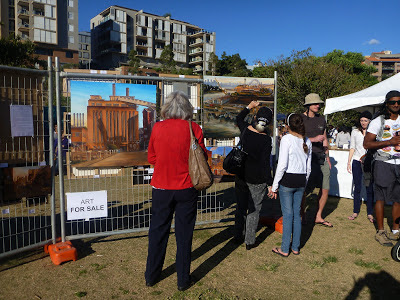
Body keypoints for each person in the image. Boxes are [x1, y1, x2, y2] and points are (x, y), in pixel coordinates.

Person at [144, 91, 207, 291]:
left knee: (157, 232)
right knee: (184, 235)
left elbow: (151, 158)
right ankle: (182, 280)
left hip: (162, 186)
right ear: (187, 108)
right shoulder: (194, 128)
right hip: (187, 187)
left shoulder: (158, 128)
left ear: (166, 108)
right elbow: (202, 157)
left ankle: (151, 276)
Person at [269, 113, 312, 257]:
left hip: (288, 180)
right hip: (300, 180)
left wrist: (274, 186)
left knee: (287, 215)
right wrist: (304, 184)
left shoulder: (287, 139)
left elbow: (281, 165)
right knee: (297, 215)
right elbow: (308, 168)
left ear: (288, 125)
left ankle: (285, 249)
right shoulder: (307, 141)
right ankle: (295, 247)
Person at [234, 100, 273, 250]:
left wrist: (249, 107)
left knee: (241, 207)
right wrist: (269, 182)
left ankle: (238, 235)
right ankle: (249, 241)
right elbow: (265, 164)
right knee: (254, 210)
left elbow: (238, 118)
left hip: (241, 174)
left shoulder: (246, 130)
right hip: (257, 179)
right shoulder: (266, 140)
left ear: (256, 117)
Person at [364, 90, 400, 246]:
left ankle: (395, 231)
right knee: (381, 198)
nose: (396, 105)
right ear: (387, 104)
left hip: (399, 164)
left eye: (399, 102)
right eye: (393, 102)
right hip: (383, 163)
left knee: (398, 199)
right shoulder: (378, 121)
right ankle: (380, 231)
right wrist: (389, 142)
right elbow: (367, 144)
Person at [301, 93, 333, 227]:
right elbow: (296, 138)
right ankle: (301, 215)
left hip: (321, 157)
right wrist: (313, 140)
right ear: (308, 106)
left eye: (319, 104)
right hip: (306, 157)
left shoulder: (321, 119)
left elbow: (325, 138)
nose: (318, 106)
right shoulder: (300, 118)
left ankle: (318, 216)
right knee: (304, 189)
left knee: (325, 188)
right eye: (315, 104)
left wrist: (328, 157)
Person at [347, 111, 375, 222]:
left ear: (369, 121)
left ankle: (370, 213)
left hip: (368, 161)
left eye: (365, 120)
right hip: (356, 161)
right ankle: (355, 211)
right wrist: (348, 161)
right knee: (357, 187)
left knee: (369, 187)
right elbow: (352, 147)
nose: (363, 123)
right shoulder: (355, 131)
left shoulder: (373, 132)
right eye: (362, 120)